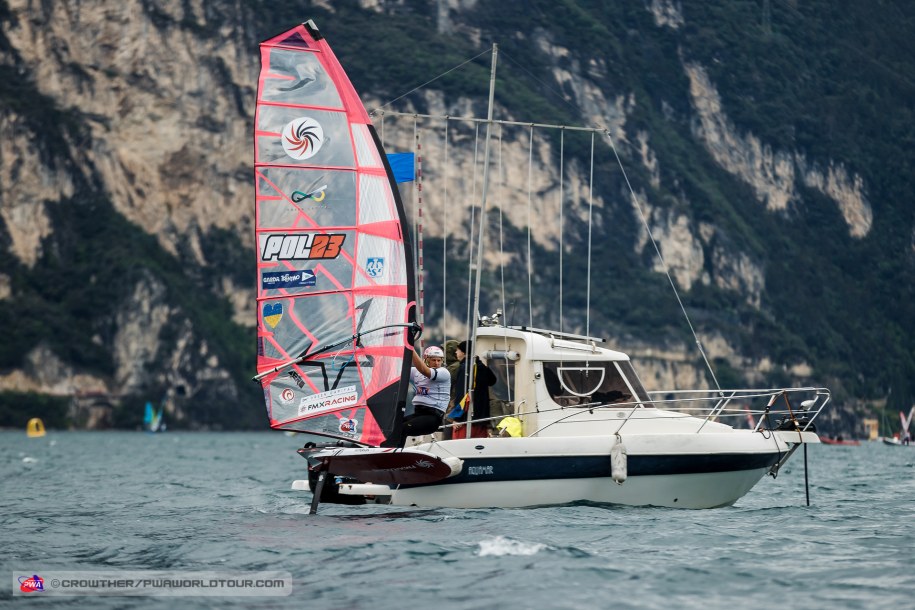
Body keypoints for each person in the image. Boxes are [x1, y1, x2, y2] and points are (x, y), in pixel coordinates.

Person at [391, 345, 451, 448]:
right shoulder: (416, 372)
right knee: (392, 426)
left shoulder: (443, 372)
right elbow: (397, 370)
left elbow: (424, 370)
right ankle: (384, 450)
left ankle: (396, 454)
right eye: (433, 360)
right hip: (419, 414)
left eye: (439, 360)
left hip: (432, 418)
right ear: (426, 360)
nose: (437, 363)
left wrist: (410, 348)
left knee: (402, 429)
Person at [450, 340, 497, 439]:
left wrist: (457, 418)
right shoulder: (481, 366)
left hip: (466, 419)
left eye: (458, 350)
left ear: (463, 352)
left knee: (460, 446)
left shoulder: (464, 368)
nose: (456, 352)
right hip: (482, 419)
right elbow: (492, 380)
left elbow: (461, 395)